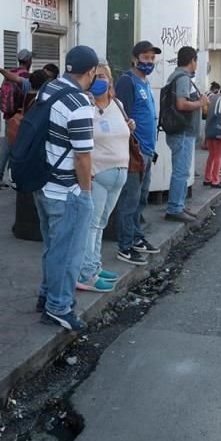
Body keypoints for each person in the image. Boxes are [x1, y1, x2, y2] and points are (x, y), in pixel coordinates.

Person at [34, 46, 99, 332]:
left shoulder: (49, 89)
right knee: (69, 251)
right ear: (91, 71)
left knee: (52, 247)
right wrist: (85, 193)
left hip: (43, 183)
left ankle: (47, 294)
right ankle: (59, 306)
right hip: (67, 189)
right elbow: (83, 156)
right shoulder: (79, 102)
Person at [78, 64, 133, 292]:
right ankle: (85, 273)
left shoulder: (117, 105)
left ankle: (95, 265)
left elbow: (122, 131)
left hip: (119, 171)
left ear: (111, 81)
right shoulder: (85, 106)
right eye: (96, 76)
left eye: (104, 77)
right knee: (91, 225)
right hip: (97, 174)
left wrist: (130, 126)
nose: (100, 81)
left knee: (100, 223)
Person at [113, 41, 162, 265]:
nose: (149, 62)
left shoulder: (145, 81)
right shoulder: (127, 81)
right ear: (135, 59)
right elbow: (125, 117)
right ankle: (125, 245)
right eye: (145, 57)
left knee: (141, 199)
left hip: (147, 150)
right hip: (135, 151)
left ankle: (136, 237)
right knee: (130, 200)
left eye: (152, 58)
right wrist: (134, 147)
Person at [163, 46, 207, 223]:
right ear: (192, 61)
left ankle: (178, 205)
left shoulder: (177, 77)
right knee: (181, 172)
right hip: (182, 132)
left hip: (181, 131)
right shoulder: (182, 79)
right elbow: (181, 104)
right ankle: (174, 208)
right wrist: (200, 102)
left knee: (181, 171)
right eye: (196, 61)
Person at [0, 49, 34, 190]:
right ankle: (12, 178)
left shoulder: (10, 73)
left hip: (8, 116)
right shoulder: (27, 76)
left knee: (8, 147)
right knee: (20, 148)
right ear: (29, 61)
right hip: (21, 117)